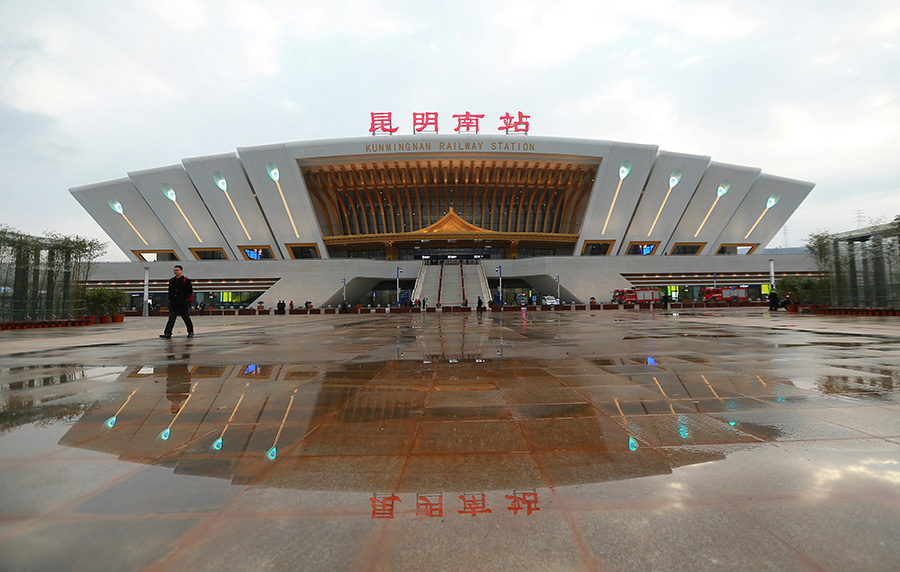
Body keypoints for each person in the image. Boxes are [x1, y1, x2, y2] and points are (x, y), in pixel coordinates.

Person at [160, 265, 194, 338]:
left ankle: (190, 331)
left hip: (183, 304)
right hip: (174, 304)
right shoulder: (172, 280)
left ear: (181, 271)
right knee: (171, 319)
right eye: (175, 270)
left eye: (177, 270)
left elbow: (189, 291)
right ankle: (168, 332)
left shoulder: (186, 280)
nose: (176, 271)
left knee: (186, 318)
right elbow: (170, 291)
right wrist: (170, 298)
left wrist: (184, 298)